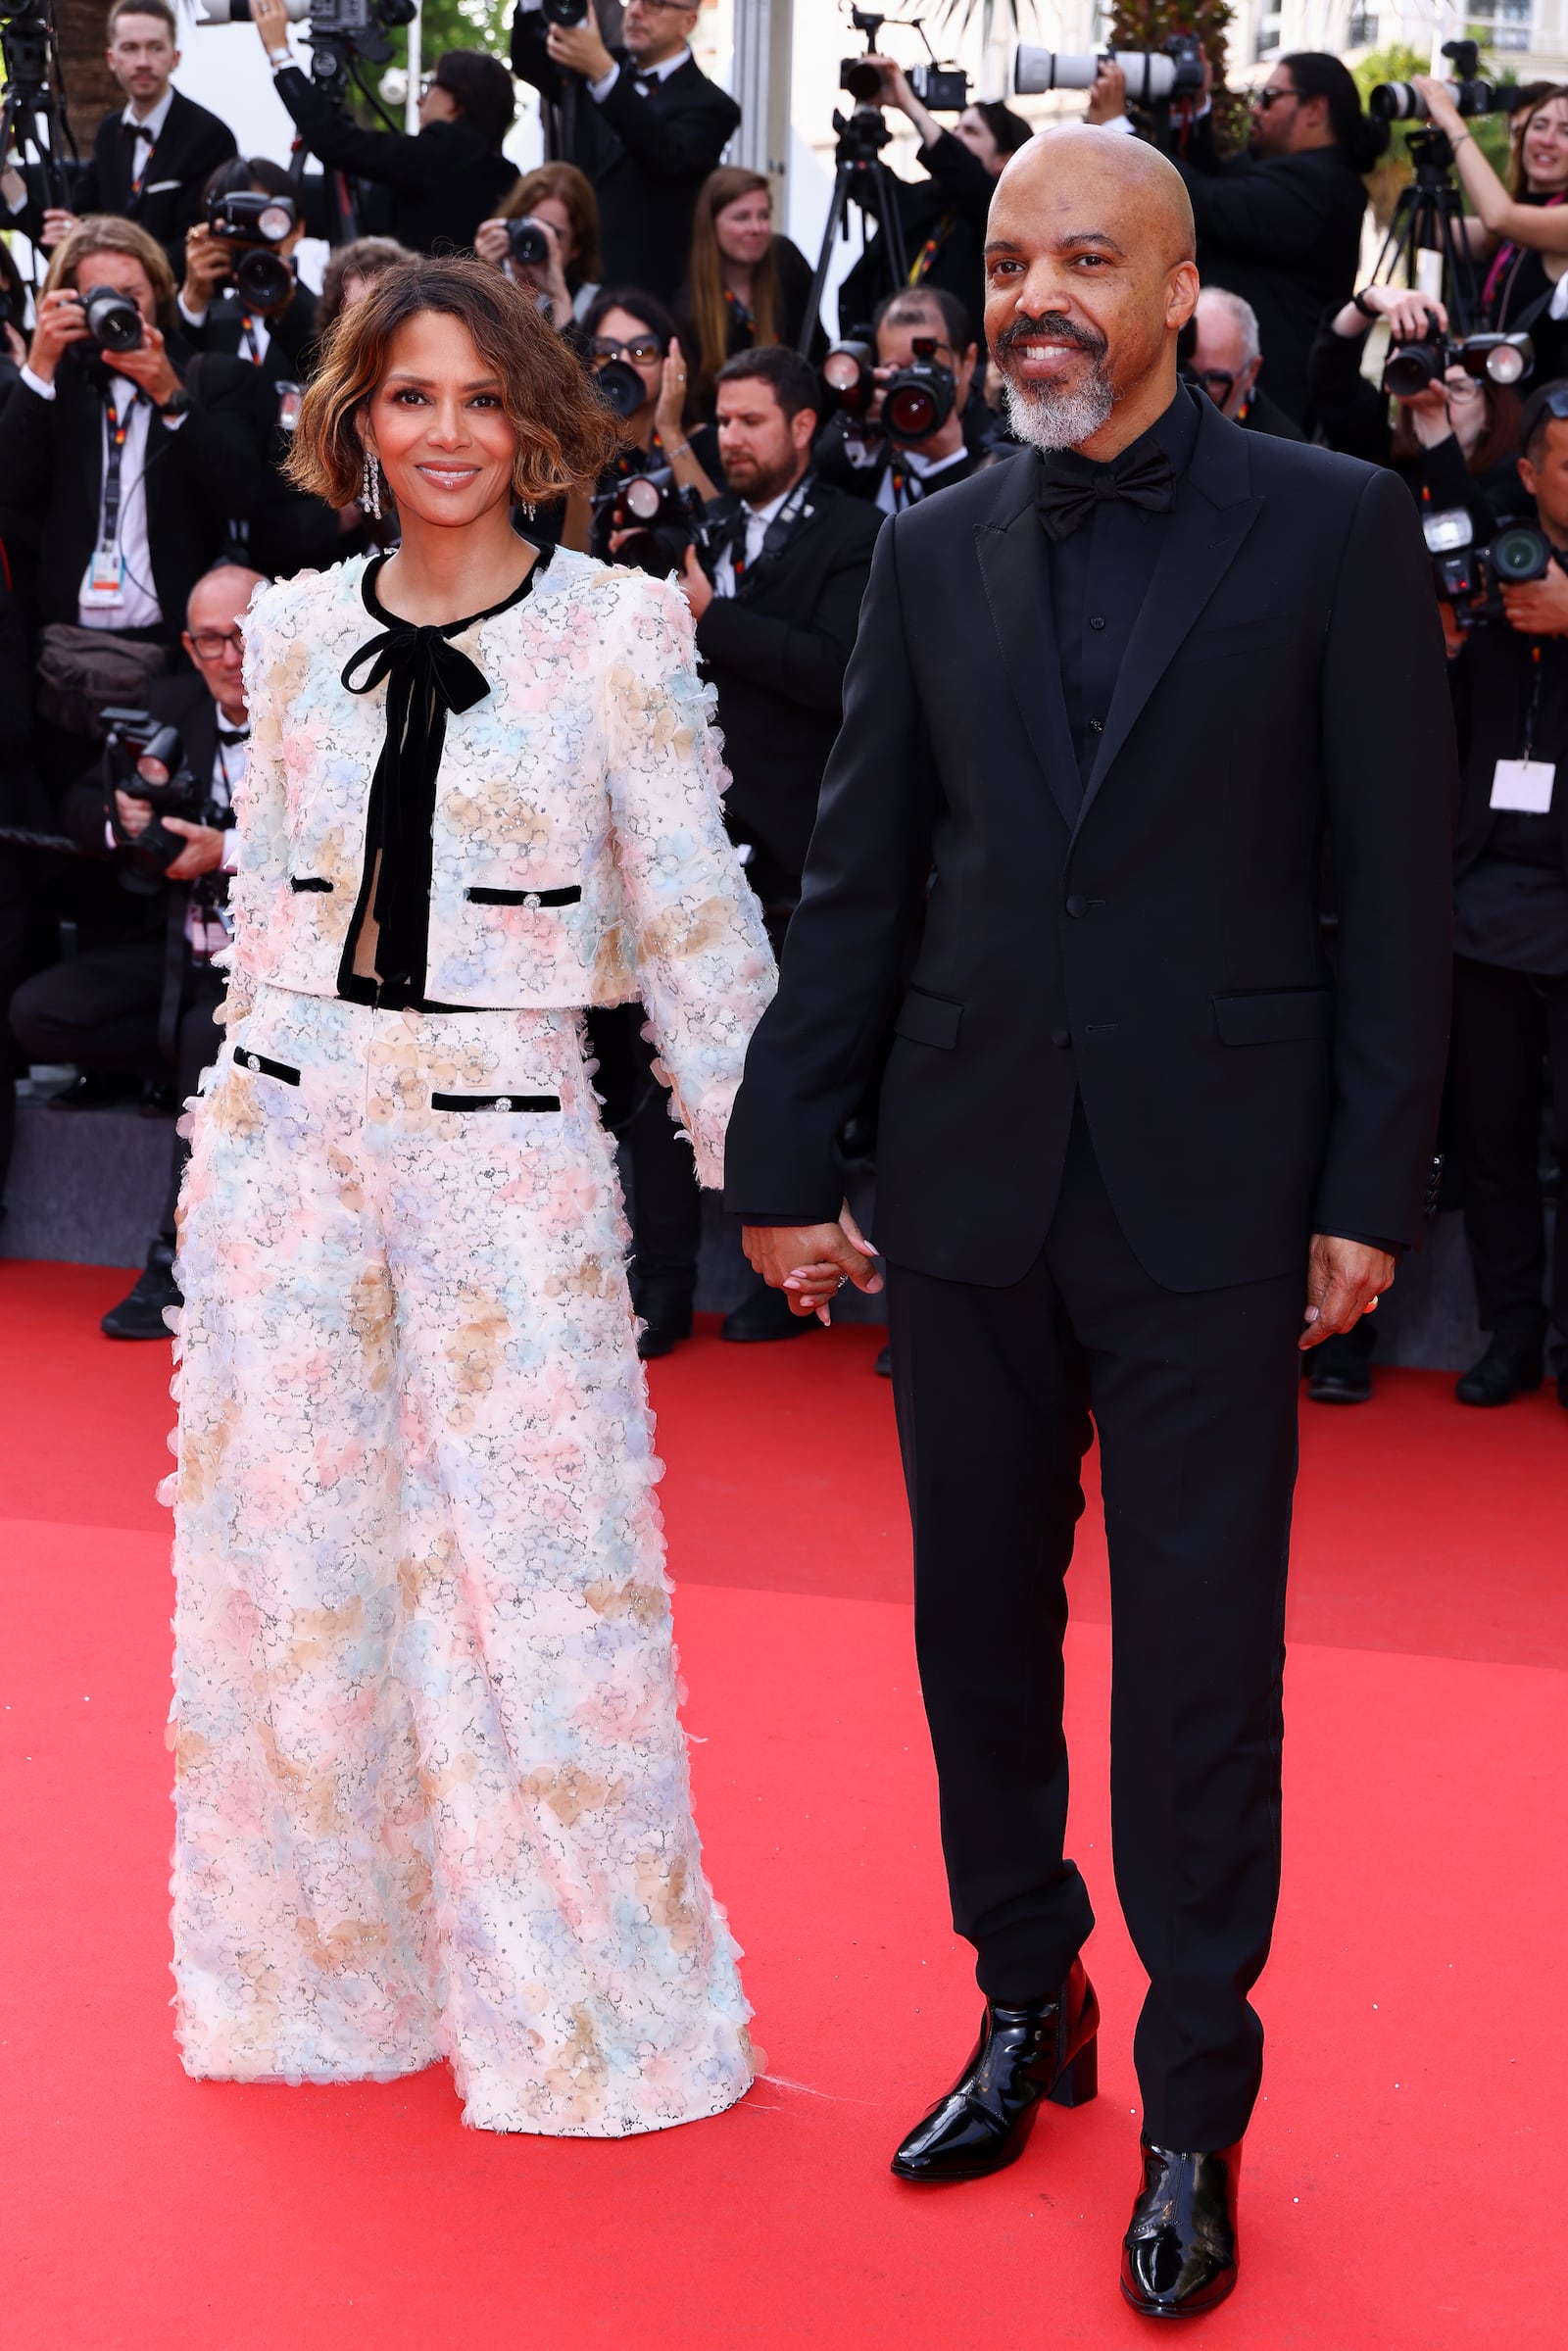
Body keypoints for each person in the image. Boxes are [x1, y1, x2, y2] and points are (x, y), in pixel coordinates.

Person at [724, 125, 1453, 2316]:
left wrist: (1360, 1181)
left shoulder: (1326, 528)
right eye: (1009, 258)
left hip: (1215, 1195)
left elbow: (1392, 891)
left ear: (1166, 292)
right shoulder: (928, 543)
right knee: (972, 1626)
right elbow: (860, 871)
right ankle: (1022, 1988)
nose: (1037, 296)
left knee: (1201, 1672)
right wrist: (782, 1154)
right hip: (960, 1176)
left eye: (1083, 262)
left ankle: (1192, 2100)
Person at [164, 253, 773, 2132]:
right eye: (409, 397)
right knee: (297, 1571)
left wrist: (779, 1169)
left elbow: (690, 913)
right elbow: (270, 907)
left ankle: (585, 2008)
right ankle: (324, 1978)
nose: (444, 433)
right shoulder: (285, 631)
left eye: (480, 399)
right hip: (283, 1143)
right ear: (356, 417)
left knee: (541, 1566)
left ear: (538, 427)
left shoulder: (614, 630)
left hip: (508, 1142)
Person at [620, 343, 881, 1356]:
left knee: (788, 1070)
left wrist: (713, 618)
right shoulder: (706, 525)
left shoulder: (859, 536)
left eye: (749, 423)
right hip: (688, 839)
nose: (728, 440)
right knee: (664, 1072)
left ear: (803, 427)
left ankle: (796, 1282)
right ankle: (667, 1285)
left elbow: (835, 669)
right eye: (719, 423)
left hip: (801, 847)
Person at [9, 563, 267, 1340]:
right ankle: (194, 1078)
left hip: (276, 973)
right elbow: (80, 803)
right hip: (174, 953)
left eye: (246, 635)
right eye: (213, 640)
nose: (231, 656)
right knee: (39, 1012)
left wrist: (227, 849)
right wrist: (123, 816)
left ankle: (172, 1260)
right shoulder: (168, 704)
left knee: (201, 1034)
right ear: (189, 648)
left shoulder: (323, 717)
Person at [1446, 378, 1568, 1411]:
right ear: (1530, 476)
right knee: (1490, 1142)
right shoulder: (1489, 573)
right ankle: (1508, 1335)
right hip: (1481, 902)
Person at [0, 217, 258, 685]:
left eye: (131, 295)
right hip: (61, 652)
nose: (116, 310)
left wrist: (171, 397)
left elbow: (243, 495)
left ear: (158, 294)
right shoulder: (52, 390)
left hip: (175, 656)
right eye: (98, 297)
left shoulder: (207, 378)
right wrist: (38, 369)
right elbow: (9, 489)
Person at [1095, 52, 1387, 431]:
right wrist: (1196, 103)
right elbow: (1213, 176)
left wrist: (1118, 132)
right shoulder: (1290, 171)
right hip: (1232, 395)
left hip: (1267, 408)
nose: (1255, 111)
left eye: (1268, 97)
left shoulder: (1321, 185)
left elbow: (1205, 201)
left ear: (1314, 109)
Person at [510, 0, 740, 307]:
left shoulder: (712, 105)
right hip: (571, 284)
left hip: (647, 294)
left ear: (688, 22)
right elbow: (529, 61)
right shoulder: (596, 64)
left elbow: (665, 154)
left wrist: (603, 73)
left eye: (655, 5)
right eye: (632, 1)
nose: (635, 12)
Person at [252, 2, 519, 254]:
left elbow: (334, 141)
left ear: (457, 102)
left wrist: (280, 54)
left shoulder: (443, 154)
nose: (418, 99)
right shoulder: (503, 175)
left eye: (430, 87)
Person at [5, 0, 236, 279]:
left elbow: (200, 248)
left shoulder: (210, 136)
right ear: (112, 59)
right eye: (130, 48)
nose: (142, 62)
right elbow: (68, 237)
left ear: (175, 57)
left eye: (155, 48)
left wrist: (99, 244)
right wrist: (5, 173)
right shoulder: (109, 132)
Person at [838, 59, 1033, 346]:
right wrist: (867, 107)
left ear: (1005, 159)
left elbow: (965, 176)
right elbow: (866, 183)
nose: (956, 136)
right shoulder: (930, 197)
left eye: (971, 131)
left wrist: (908, 103)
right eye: (956, 129)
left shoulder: (1004, 213)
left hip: (956, 362)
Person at [1414, 77, 1568, 379]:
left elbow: (1500, 216)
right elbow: (1431, 230)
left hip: (1537, 413)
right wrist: (1434, 144)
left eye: (1566, 131)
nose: (1547, 140)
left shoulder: (1538, 222)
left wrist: (1454, 124)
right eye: (1538, 126)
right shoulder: (1512, 229)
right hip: (1491, 400)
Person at [814, 287, 982, 515]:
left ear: (969, 361)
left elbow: (988, 535)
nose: (912, 389)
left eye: (925, 369)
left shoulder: (1004, 450)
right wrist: (857, 424)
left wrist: (949, 460)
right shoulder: (874, 430)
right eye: (897, 372)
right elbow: (816, 491)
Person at [578, 287, 721, 548]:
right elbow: (571, 560)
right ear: (588, 366)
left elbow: (720, 534)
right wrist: (584, 459)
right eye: (606, 351)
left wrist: (670, 431)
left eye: (642, 350)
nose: (622, 361)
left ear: (669, 362)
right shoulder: (574, 453)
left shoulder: (707, 444)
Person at [678, 167, 823, 410]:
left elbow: (817, 352)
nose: (757, 228)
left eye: (764, 216)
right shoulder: (688, 303)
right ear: (711, 225)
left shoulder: (787, 264)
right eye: (742, 217)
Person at [177, 157, 318, 393]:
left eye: (266, 223)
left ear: (297, 229)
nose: (252, 240)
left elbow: (330, 377)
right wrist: (192, 304)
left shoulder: (328, 316)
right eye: (238, 225)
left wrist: (286, 310)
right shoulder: (204, 317)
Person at [476, 163, 604, 327]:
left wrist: (559, 297)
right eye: (531, 226)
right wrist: (482, 276)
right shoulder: (485, 280)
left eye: (554, 234)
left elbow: (577, 354)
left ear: (576, 247)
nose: (538, 239)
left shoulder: (591, 304)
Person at [1187, 286, 1303, 440]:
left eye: (1214, 378)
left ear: (1252, 372)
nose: (1193, 387)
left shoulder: (1281, 448)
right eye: (1183, 369)